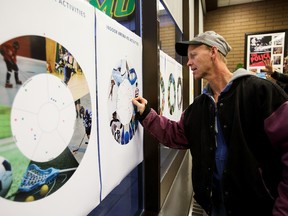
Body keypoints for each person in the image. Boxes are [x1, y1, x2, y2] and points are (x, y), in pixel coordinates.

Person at [132, 31, 288, 216]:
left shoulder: (261, 92)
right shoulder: (199, 107)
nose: (188, 62)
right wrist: (147, 114)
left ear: (213, 52)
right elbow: (176, 134)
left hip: (258, 208)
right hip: (215, 208)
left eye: (193, 55)